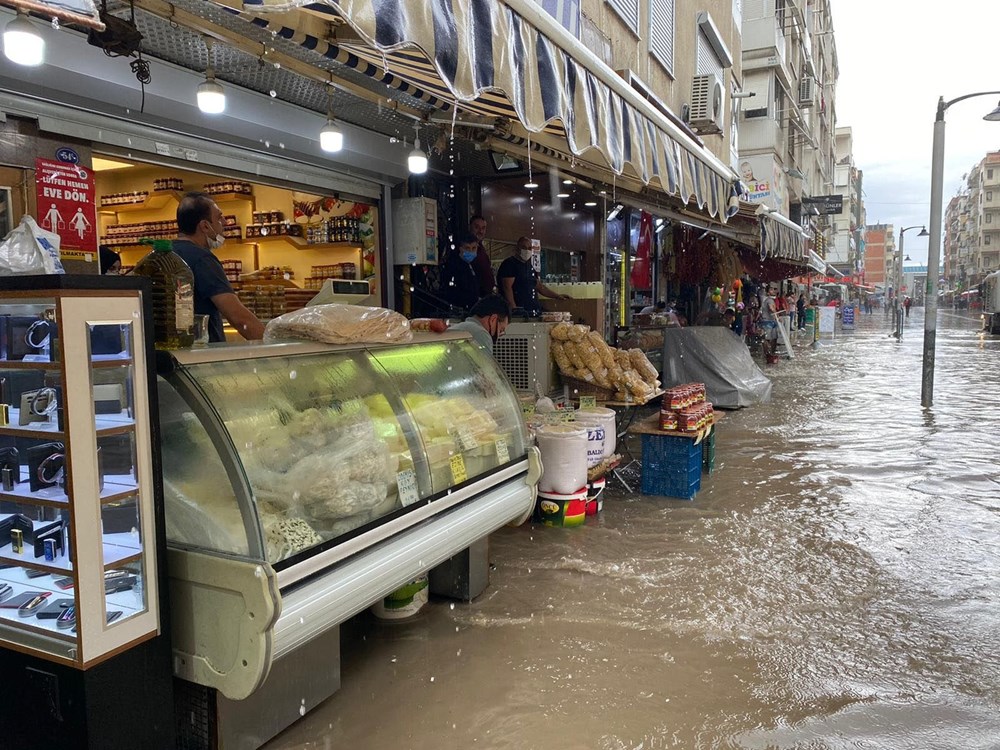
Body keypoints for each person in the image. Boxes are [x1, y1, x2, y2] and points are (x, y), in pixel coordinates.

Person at [173, 192, 265, 343]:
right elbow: (239, 318)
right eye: (219, 217)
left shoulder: (162, 254)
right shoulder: (202, 259)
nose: (225, 222)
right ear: (205, 226)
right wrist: (278, 348)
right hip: (202, 355)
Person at [496, 236, 570, 314]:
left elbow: (539, 286)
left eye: (529, 248)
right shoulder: (509, 264)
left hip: (533, 310)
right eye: (524, 247)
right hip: (520, 311)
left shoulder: (529, 266)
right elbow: (507, 288)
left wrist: (557, 296)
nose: (527, 250)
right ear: (517, 249)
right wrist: (514, 309)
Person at [441, 231, 483, 313]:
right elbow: (454, 291)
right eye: (467, 248)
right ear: (461, 249)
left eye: (474, 248)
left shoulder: (474, 265)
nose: (471, 251)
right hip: (460, 309)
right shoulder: (454, 266)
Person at [469, 215, 496, 297]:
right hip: (474, 296)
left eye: (483, 228)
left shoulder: (481, 248)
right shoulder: (467, 247)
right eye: (477, 227)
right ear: (470, 227)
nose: (480, 231)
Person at [760, 285, 780, 361]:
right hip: (768, 321)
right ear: (768, 292)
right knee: (768, 339)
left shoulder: (766, 300)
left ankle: (770, 353)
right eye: (771, 290)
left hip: (769, 321)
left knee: (772, 338)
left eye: (774, 289)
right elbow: (771, 308)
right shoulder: (769, 300)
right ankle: (769, 354)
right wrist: (776, 315)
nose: (774, 291)